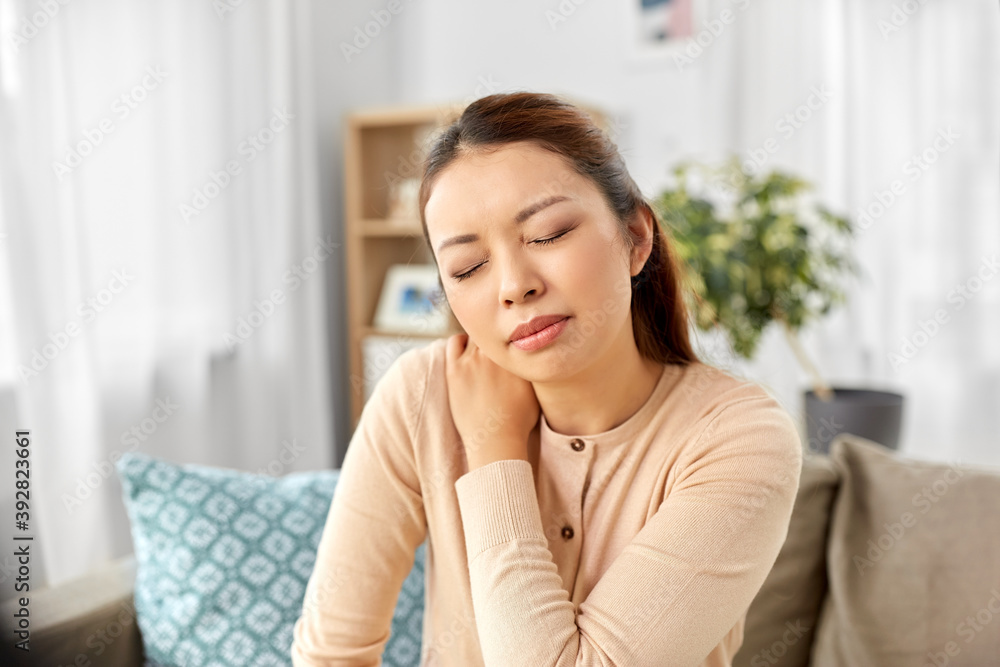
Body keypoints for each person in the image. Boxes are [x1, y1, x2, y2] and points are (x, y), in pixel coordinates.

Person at [291, 91, 803, 667]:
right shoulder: (421, 394)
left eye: (548, 234)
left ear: (635, 237)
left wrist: (494, 447)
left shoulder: (739, 439)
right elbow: (329, 652)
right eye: (468, 267)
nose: (513, 285)